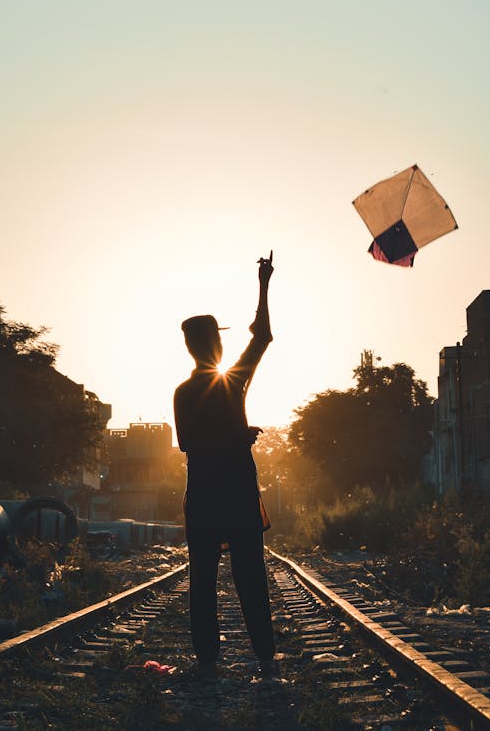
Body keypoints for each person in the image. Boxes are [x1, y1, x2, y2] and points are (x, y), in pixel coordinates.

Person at [173, 252, 276, 679]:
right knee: (250, 573)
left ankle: (207, 658)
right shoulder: (233, 380)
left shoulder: (182, 392)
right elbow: (263, 336)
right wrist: (264, 286)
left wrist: (264, 286)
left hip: (203, 498)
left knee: (203, 579)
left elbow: (188, 445)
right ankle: (265, 655)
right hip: (235, 494)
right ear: (214, 345)